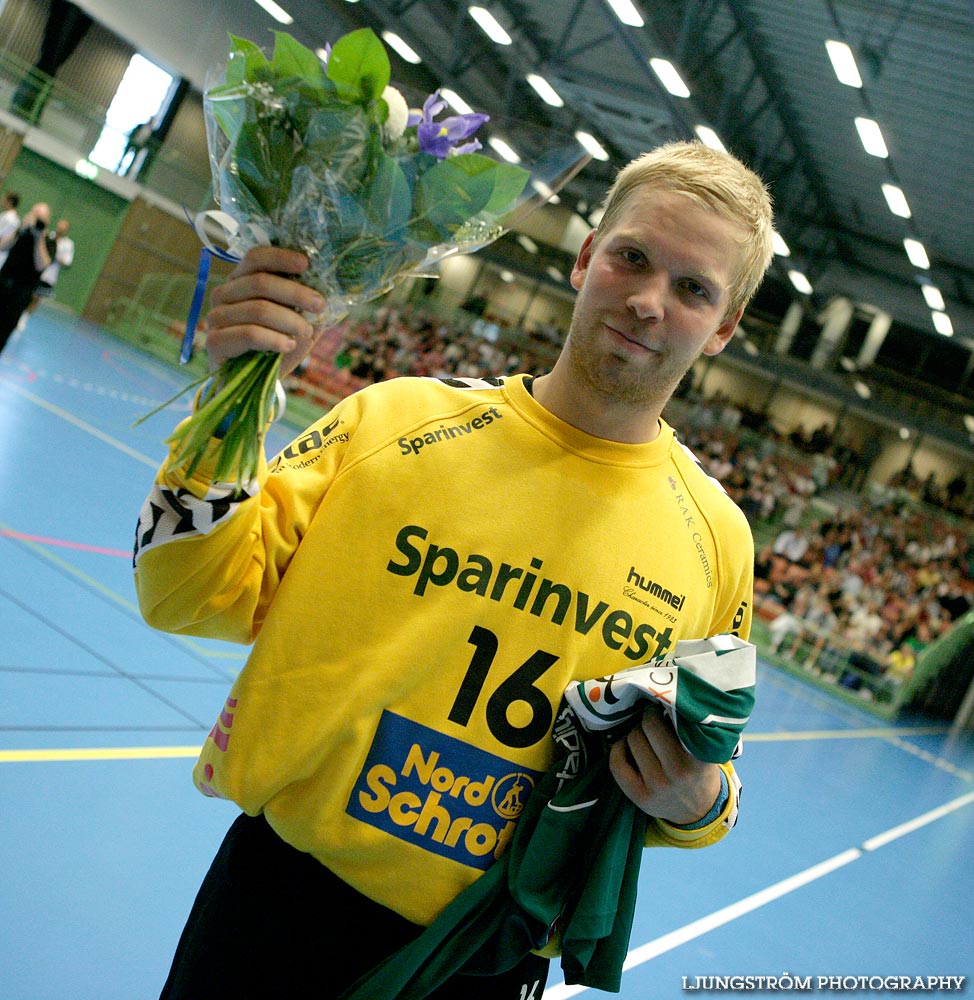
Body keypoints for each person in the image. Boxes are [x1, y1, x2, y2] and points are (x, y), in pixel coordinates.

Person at [134, 141, 775, 999]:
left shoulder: (719, 541)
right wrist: (229, 406)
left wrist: (698, 802)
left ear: (724, 326)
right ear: (586, 257)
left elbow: (709, 771)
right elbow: (183, 592)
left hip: (481, 958)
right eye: (631, 257)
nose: (650, 300)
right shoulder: (393, 421)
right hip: (274, 909)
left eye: (694, 289)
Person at [0, 202, 54, 354]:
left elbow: (41, 265)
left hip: (20, 293)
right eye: (34, 215)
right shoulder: (21, 232)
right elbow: (2, 246)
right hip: (3, 284)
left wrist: (39, 238)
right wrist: (20, 229)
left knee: (3, 332)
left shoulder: (48, 241)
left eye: (40, 217)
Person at [25, 218, 74, 320]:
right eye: (60, 225)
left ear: (66, 230)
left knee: (36, 298)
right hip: (38, 271)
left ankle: (25, 318)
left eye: (64, 227)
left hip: (49, 276)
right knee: (28, 294)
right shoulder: (48, 236)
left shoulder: (68, 244)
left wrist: (55, 255)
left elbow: (67, 262)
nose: (61, 228)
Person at [0, 191, 21, 268]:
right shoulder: (5, 216)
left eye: (4, 199)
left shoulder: (11, 219)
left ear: (10, 202)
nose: (1, 201)